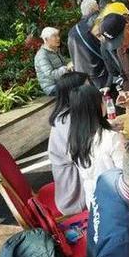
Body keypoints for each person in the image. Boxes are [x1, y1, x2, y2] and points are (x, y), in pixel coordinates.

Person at [68, 84, 125, 209]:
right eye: (102, 100)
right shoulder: (111, 137)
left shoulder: (74, 138)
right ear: (97, 106)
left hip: (93, 201)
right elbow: (127, 174)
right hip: (117, 201)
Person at [48, 72, 89, 216]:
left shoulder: (67, 114)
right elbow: (87, 154)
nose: (92, 92)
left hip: (71, 177)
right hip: (74, 190)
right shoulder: (67, 121)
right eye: (87, 88)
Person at [67, 0, 110, 89]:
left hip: (82, 76)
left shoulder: (72, 31)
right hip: (100, 74)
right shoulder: (94, 27)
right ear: (94, 10)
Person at [35, 27, 71, 96]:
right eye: (54, 36)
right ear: (46, 39)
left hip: (63, 82)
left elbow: (64, 62)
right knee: (77, 87)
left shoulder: (55, 50)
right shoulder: (42, 55)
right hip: (52, 88)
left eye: (58, 35)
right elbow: (50, 75)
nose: (58, 38)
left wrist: (73, 61)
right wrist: (66, 68)